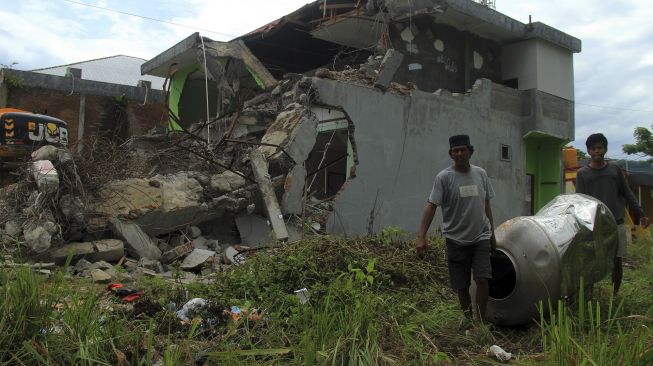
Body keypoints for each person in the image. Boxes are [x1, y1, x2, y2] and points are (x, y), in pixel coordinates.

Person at [416, 134, 496, 322]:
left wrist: (493, 234)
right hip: (455, 239)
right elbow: (431, 206)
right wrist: (421, 236)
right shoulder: (444, 178)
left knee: (483, 279)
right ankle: (468, 322)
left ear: (470, 151)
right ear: (451, 154)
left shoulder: (481, 174)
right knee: (461, 285)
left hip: (481, 236)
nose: (459, 153)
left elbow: (487, 205)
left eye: (463, 149)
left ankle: (481, 322)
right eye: (455, 150)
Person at [575, 133, 649, 296]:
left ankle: (615, 294)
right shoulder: (583, 174)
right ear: (588, 151)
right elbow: (580, 201)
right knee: (591, 260)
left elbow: (627, 193)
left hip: (616, 222)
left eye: (600, 148)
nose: (597, 151)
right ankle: (588, 294)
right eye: (593, 148)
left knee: (617, 260)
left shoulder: (614, 170)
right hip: (595, 224)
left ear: (605, 149)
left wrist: (640, 213)